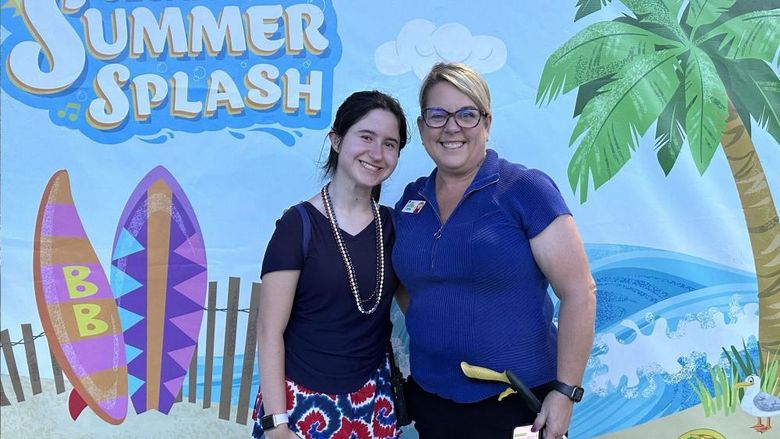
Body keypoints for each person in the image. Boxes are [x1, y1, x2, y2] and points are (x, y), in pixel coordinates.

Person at [392, 62, 596, 439]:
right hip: (431, 399)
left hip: (517, 403)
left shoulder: (525, 190)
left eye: (466, 114)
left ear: (486, 123)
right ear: (421, 128)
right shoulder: (410, 200)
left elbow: (580, 292)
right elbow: (409, 285)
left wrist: (565, 393)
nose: (451, 127)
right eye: (437, 115)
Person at [252, 91, 409, 439]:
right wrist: (277, 424)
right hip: (300, 405)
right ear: (336, 140)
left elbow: (420, 312)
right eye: (365, 137)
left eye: (390, 144)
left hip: (374, 405)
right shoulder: (298, 225)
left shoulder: (395, 228)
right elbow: (268, 330)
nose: (377, 153)